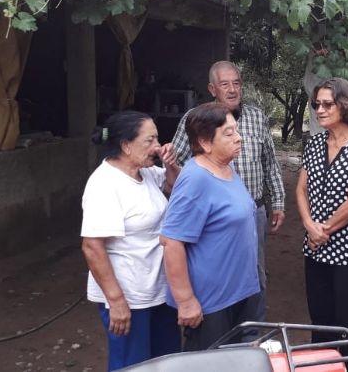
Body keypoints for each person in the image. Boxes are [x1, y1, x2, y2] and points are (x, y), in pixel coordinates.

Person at [170, 61, 284, 322]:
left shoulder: (256, 116)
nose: (232, 90)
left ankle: (251, 333)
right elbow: (178, 160)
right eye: (225, 84)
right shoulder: (196, 120)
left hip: (253, 211)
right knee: (219, 273)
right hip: (214, 219)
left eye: (236, 83)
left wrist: (277, 201)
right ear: (212, 89)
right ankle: (221, 331)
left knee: (255, 274)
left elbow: (270, 162)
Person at [81, 111, 181, 371]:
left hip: (158, 289)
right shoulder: (105, 184)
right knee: (133, 365)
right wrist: (116, 301)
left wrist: (171, 164)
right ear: (126, 146)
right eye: (149, 141)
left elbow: (175, 187)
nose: (157, 147)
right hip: (129, 297)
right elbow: (92, 246)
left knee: (166, 360)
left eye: (157, 139)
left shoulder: (144, 173)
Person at [160, 102, 260, 350]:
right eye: (228, 133)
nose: (238, 138)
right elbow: (172, 242)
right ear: (205, 142)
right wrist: (185, 301)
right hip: (212, 302)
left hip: (240, 291)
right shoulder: (195, 179)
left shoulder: (227, 166)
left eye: (236, 131)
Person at [296, 78, 348, 369]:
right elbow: (301, 188)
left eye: (327, 103)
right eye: (316, 104)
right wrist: (308, 225)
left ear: (345, 104)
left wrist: (324, 229)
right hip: (315, 249)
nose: (319, 109)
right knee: (320, 320)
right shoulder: (315, 142)